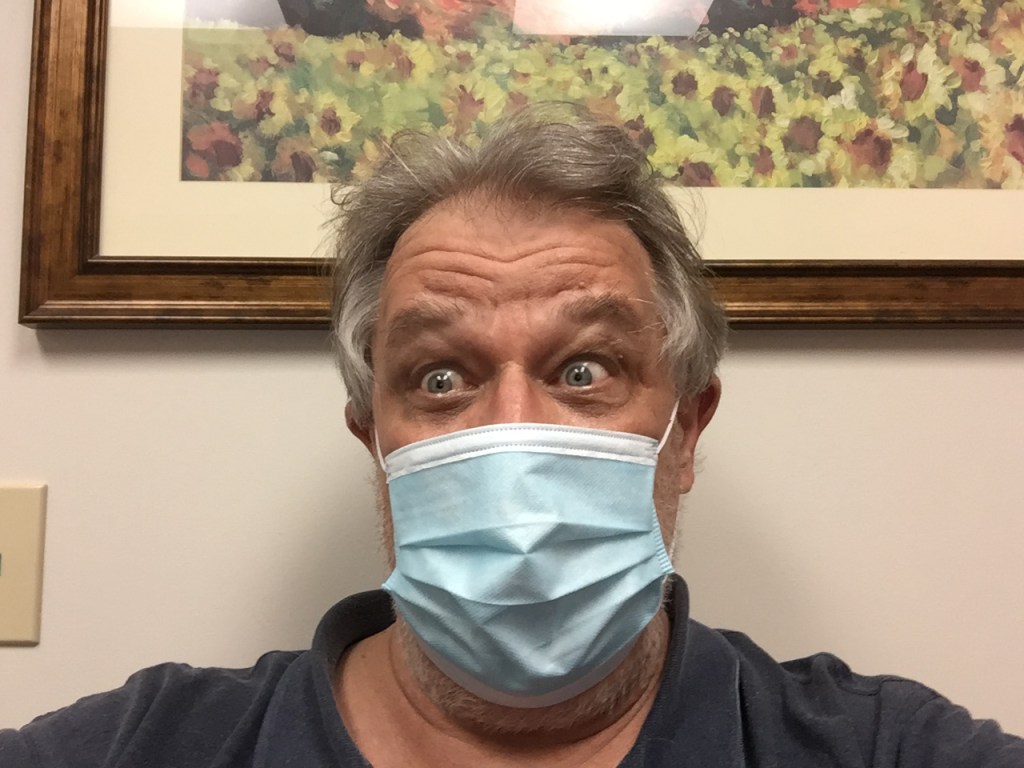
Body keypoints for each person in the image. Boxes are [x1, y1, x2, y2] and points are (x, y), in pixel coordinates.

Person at [2, 104, 1021, 767]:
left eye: (585, 370)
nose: (514, 436)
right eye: (440, 378)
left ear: (685, 431)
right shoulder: (141, 746)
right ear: (375, 443)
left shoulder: (885, 749)